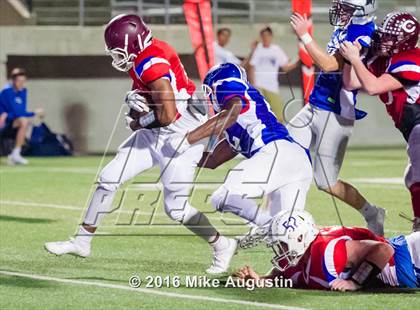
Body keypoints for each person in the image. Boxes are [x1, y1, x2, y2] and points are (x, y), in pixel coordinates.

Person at [44, 14, 237, 274]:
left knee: (176, 209)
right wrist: (138, 104)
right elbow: (156, 107)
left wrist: (138, 121)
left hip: (180, 137)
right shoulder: (144, 55)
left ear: (132, 43)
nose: (115, 56)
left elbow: (166, 115)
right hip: (159, 132)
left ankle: (222, 245)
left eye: (117, 50)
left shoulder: (152, 63)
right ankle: (82, 241)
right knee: (108, 177)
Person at [167, 63, 313, 226]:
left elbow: (231, 112)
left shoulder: (225, 84)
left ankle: (268, 226)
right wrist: (178, 155)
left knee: (223, 197)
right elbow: (214, 159)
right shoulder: (244, 119)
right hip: (297, 161)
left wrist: (187, 139)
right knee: (289, 235)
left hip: (275, 152)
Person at [288, 0, 385, 235]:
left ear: (363, 11)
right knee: (282, 151)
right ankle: (283, 219)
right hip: (316, 104)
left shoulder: (364, 34)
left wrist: (305, 36)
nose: (341, 11)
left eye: (347, 7)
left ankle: (372, 213)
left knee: (326, 182)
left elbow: (330, 65)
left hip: (336, 113)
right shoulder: (346, 26)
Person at [340, 12, 420, 232]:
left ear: (405, 41)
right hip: (412, 127)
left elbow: (373, 87)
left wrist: (356, 59)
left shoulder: (412, 58)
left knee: (417, 178)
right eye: (384, 35)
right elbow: (351, 82)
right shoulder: (382, 59)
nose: (384, 39)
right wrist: (349, 59)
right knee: (412, 177)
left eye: (390, 37)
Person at [235, 209, 420, 290]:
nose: (280, 250)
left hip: (411, 257)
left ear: (300, 239)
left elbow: (383, 250)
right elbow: (283, 275)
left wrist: (355, 282)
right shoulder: (300, 255)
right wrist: (262, 279)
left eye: (283, 244)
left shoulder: (328, 251)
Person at [248, 26, 298, 122]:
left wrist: (298, 61)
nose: (266, 38)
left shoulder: (276, 49)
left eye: (268, 35)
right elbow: (251, 67)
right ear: (261, 37)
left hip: (272, 87)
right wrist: (253, 85)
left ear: (271, 36)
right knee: (260, 115)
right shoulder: (258, 49)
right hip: (259, 87)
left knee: (278, 116)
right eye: (263, 35)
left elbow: (285, 67)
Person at [0, 68, 44, 165]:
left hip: (11, 123)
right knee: (23, 120)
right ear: (13, 81)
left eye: (23, 81)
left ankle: (16, 154)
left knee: (24, 121)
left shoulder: (23, 92)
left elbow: (20, 111)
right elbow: (16, 112)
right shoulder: (7, 92)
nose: (21, 83)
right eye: (19, 81)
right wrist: (34, 113)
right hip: (3, 124)